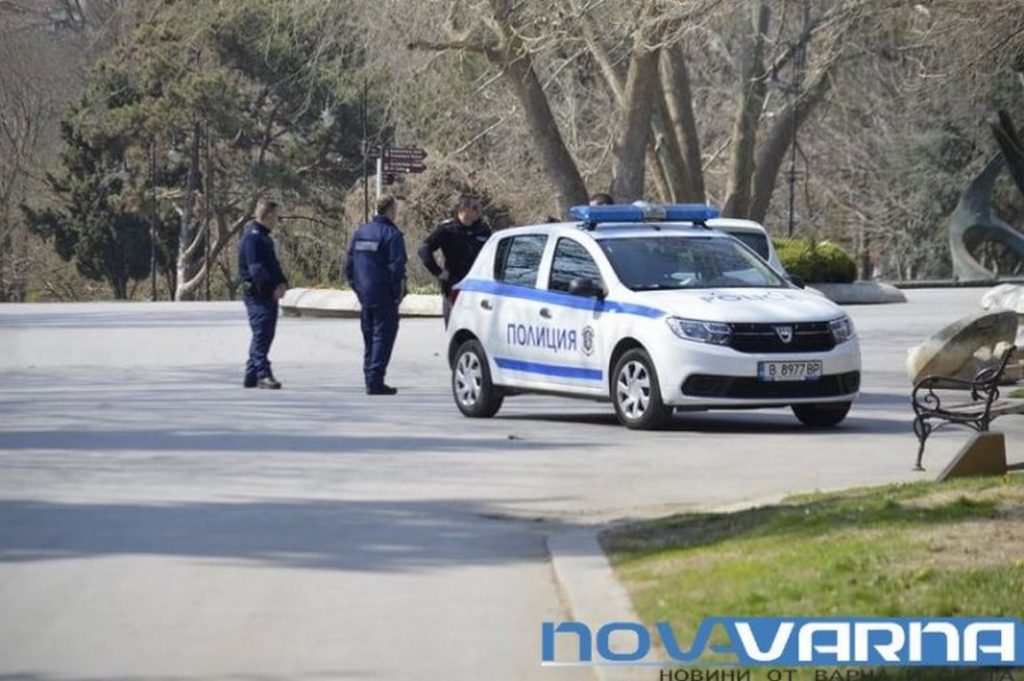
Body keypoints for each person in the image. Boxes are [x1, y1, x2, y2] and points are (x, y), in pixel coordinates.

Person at [345, 195, 408, 396]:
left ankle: (369, 377)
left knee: (369, 336)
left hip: (365, 294)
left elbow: (349, 264)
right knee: (383, 337)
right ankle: (375, 380)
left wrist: (357, 287)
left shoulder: (361, 232)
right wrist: (397, 293)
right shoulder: (391, 235)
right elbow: (397, 267)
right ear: (390, 211)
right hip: (384, 295)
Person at [417, 194, 492, 325]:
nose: (479, 211)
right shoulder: (447, 229)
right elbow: (424, 249)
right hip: (455, 284)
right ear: (464, 210)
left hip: (478, 285)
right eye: (475, 207)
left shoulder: (483, 230)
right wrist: (438, 272)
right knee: (455, 326)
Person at [238, 198, 288, 389]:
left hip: (265, 294)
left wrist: (282, 283)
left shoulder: (263, 237)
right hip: (257, 294)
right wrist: (272, 288)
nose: (277, 220)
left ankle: (251, 374)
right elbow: (256, 269)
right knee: (262, 333)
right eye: (275, 216)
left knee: (264, 333)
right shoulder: (253, 238)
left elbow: (273, 265)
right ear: (268, 215)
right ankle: (263, 374)